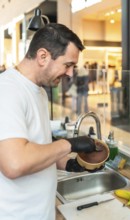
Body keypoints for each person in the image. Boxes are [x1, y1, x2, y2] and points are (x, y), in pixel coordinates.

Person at [0, 23, 99, 219]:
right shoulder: (8, 90)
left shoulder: (40, 92)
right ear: (43, 56)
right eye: (68, 64)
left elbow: (38, 148)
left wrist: (68, 164)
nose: (70, 73)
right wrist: (69, 144)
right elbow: (14, 163)